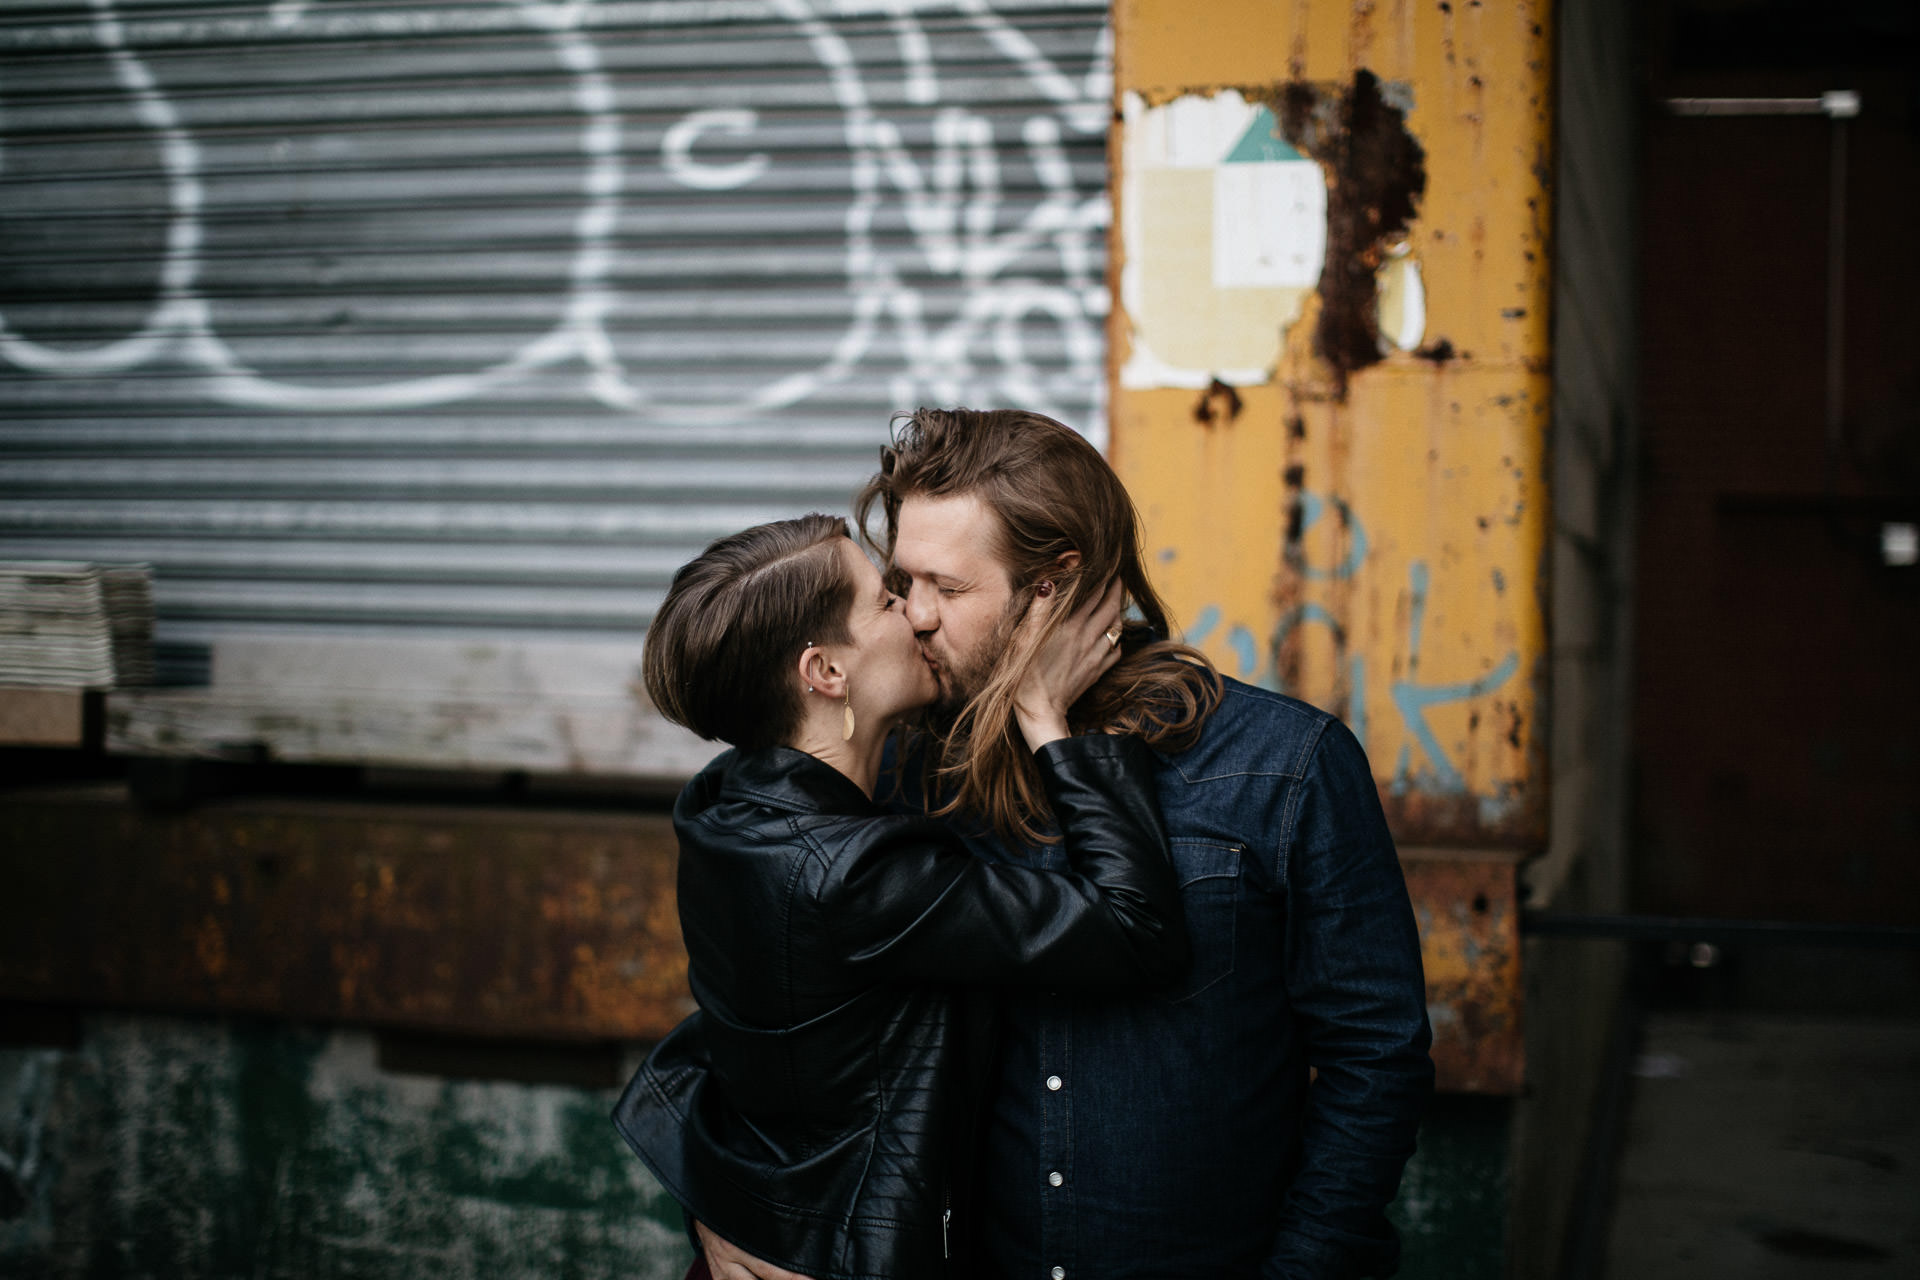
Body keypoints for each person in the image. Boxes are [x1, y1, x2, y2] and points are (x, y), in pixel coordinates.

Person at [699, 410, 1434, 1280]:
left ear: (1054, 585)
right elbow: (766, 1011)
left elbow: (1374, 1060)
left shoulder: (1283, 767)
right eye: (903, 581)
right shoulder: (905, 767)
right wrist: (724, 1207)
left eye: (949, 586)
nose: (917, 618)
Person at [611, 513, 1192, 1280]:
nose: (917, 613)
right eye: (886, 600)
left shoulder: (723, 810)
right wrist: (1051, 722)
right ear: (825, 673)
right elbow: (1135, 927)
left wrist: (727, 1209)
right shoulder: (853, 873)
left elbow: (747, 1046)